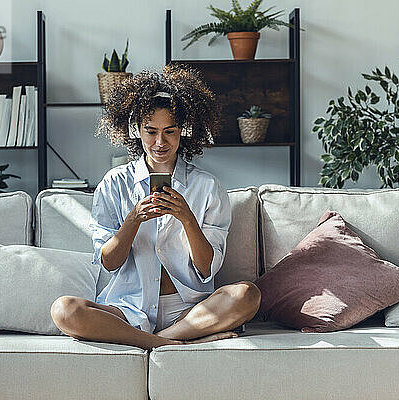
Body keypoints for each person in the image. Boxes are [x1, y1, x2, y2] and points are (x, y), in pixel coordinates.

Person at [51, 64, 261, 350]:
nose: (160, 142)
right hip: (128, 309)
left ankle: (158, 341)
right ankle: (173, 342)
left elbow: (207, 269)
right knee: (64, 310)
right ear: (135, 130)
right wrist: (133, 220)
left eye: (169, 131)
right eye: (151, 131)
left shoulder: (207, 187)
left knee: (247, 294)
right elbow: (108, 264)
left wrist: (187, 218)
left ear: (184, 131)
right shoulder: (115, 183)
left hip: (190, 310)